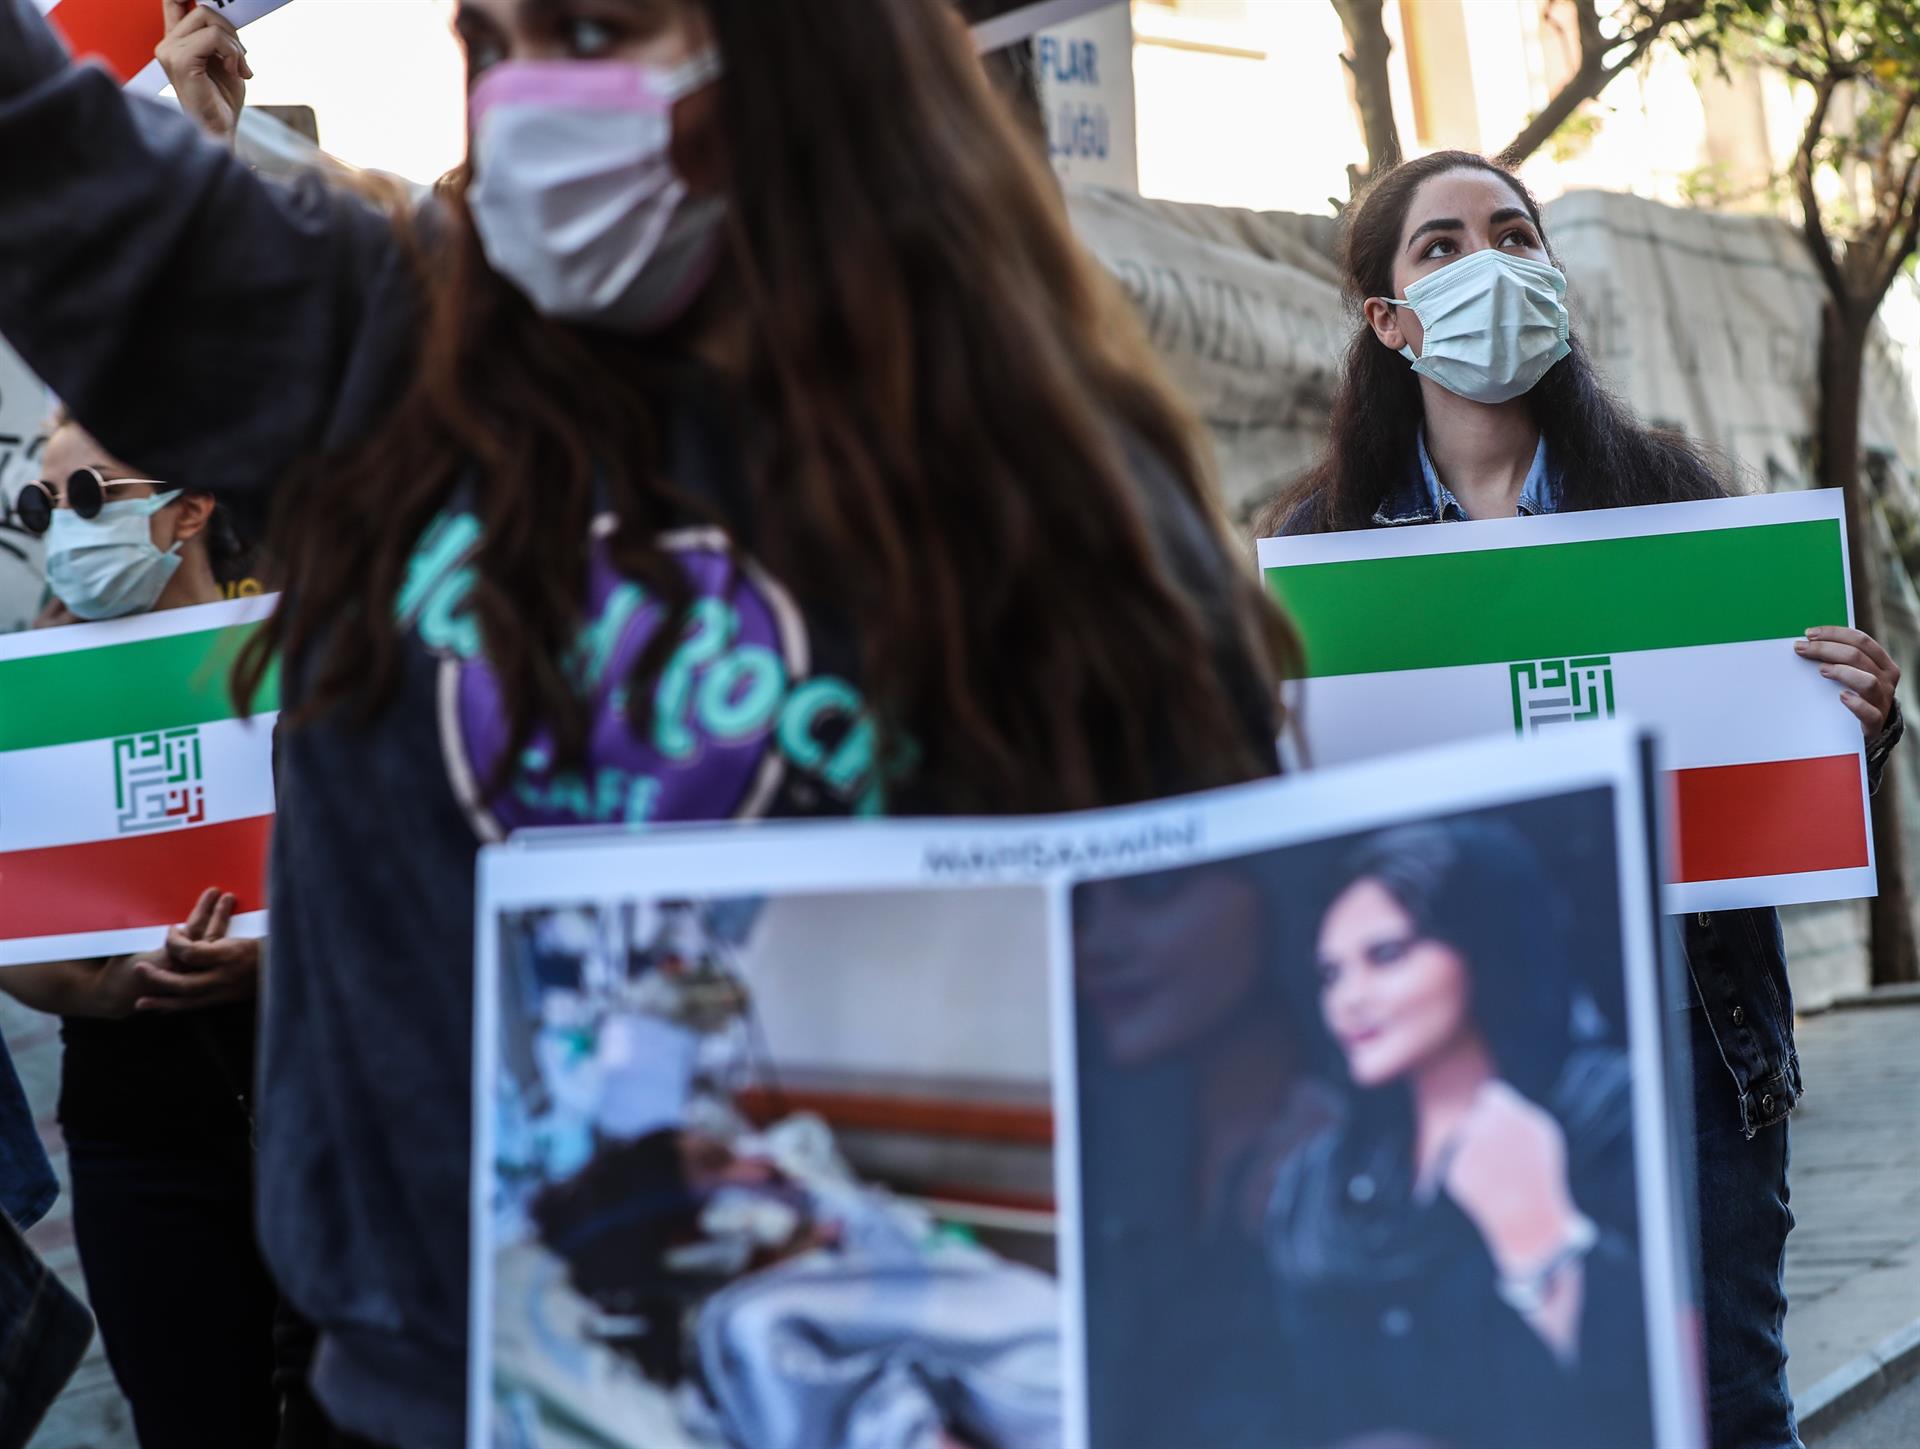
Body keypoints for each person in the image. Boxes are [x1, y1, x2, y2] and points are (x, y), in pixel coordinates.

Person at [0, 3, 1295, 1445]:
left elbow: (1220, 1027)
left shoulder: (1057, 505)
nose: (531, 94)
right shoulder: (391, 354)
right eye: (490, 47)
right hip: (433, 1394)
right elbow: (50, 164)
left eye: (595, 27)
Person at [1260, 149, 1904, 1449]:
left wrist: (1860, 722)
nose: (1490, 263)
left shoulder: (1672, 504)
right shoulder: (1322, 559)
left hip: (1688, 1051)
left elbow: (1774, 774)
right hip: (1452, 1067)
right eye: (1441, 247)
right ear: (1388, 319)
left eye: (1515, 232)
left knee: (1724, 1406)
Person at [0, 414, 277, 1449]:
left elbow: (386, 887)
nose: (62, 529)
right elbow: (20, 947)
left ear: (191, 509)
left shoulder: (289, 655)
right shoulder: (33, 691)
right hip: (137, 1139)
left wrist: (272, 962)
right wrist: (101, 993)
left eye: (87, 499)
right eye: (41, 507)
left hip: (319, 1102)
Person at [1266, 820, 1644, 1449]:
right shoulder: (1319, 1179)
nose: (1349, 999)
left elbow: (1655, 1385)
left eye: (1386, 955)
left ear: (1481, 943)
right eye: (1331, 974)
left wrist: (1542, 1238)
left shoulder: (1604, 1110)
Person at [1072, 861, 1333, 1449]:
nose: (1097, 944)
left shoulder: (1377, 1161)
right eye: (1082, 912)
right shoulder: (1120, 1161)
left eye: (1153, 888)